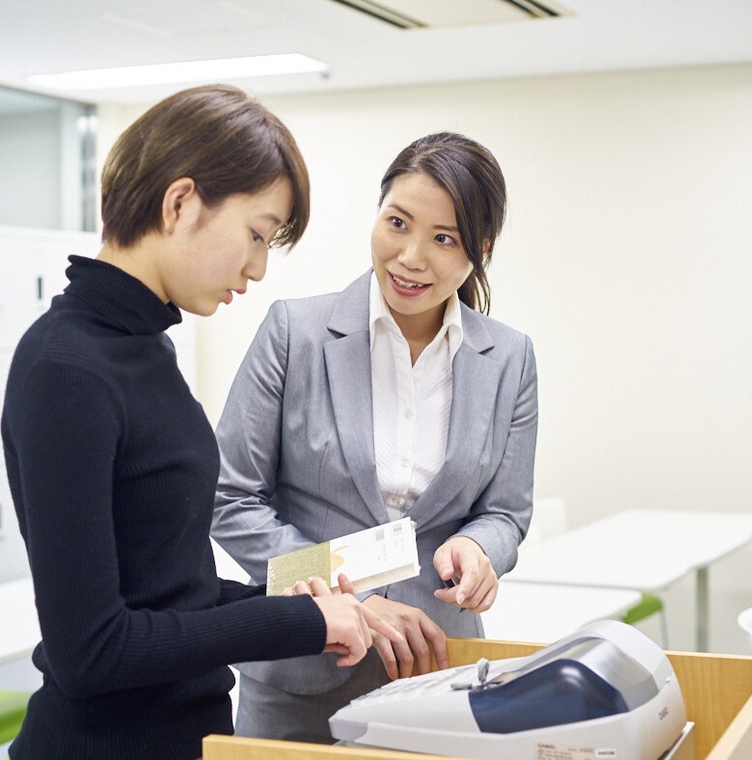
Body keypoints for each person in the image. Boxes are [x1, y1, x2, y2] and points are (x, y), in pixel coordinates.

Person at [0, 83, 400, 760]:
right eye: (255, 234)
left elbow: (169, 589)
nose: (258, 267)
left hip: (189, 736)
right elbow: (92, 651)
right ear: (181, 202)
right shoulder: (66, 367)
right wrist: (294, 620)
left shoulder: (144, 345)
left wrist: (311, 608)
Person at [211, 131, 538, 743]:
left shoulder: (509, 359)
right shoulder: (294, 333)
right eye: (397, 223)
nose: (411, 256)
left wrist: (481, 550)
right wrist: (347, 595)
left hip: (439, 670)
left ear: (481, 252)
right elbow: (229, 500)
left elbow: (506, 512)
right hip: (300, 668)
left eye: (445, 239)